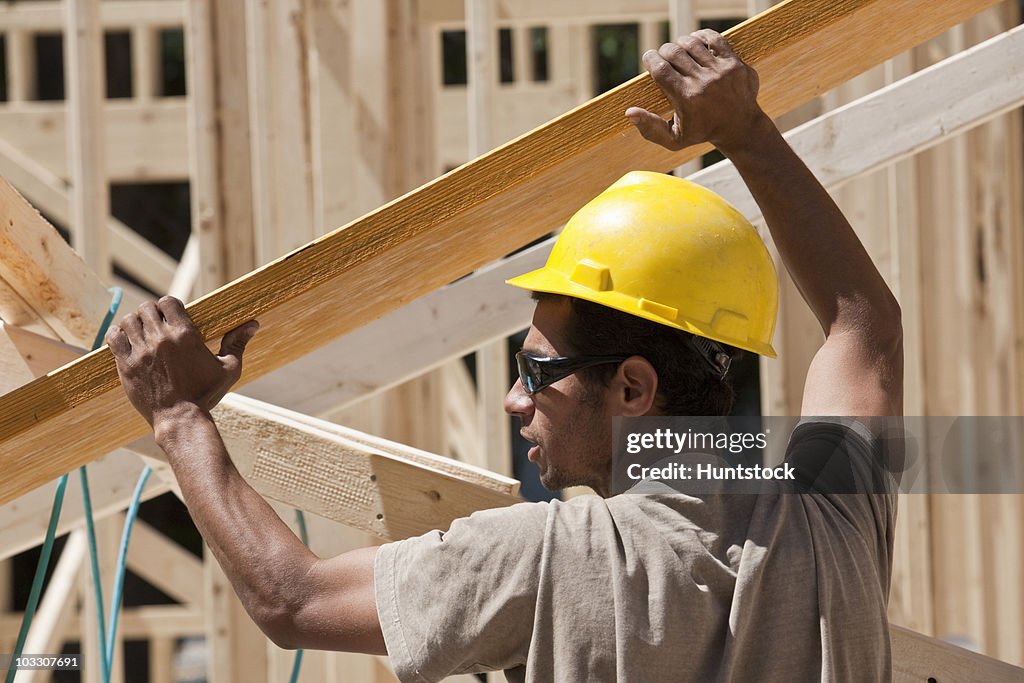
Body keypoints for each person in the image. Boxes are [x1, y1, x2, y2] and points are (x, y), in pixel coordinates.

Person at [107, 29, 902, 682]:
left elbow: (293, 600)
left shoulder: (548, 559)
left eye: (536, 372)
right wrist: (747, 130)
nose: (516, 401)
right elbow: (862, 324)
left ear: (632, 386)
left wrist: (179, 417)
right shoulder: (831, 515)